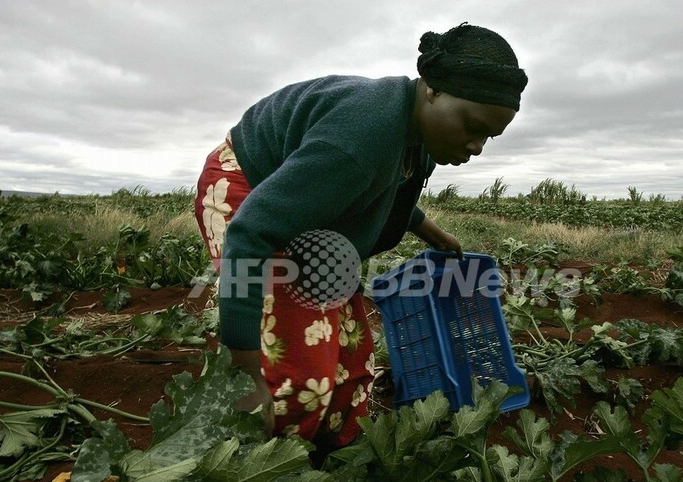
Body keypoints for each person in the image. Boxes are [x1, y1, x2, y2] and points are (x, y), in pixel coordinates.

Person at [194, 22, 528, 448]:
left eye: (489, 137)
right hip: (249, 190)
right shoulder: (362, 135)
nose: (477, 145)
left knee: (352, 361)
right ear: (432, 89)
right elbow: (251, 232)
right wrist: (243, 367)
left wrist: (425, 227)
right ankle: (249, 464)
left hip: (305, 205)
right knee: (300, 375)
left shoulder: (420, 136)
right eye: (471, 125)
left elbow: (385, 184)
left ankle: (329, 460)